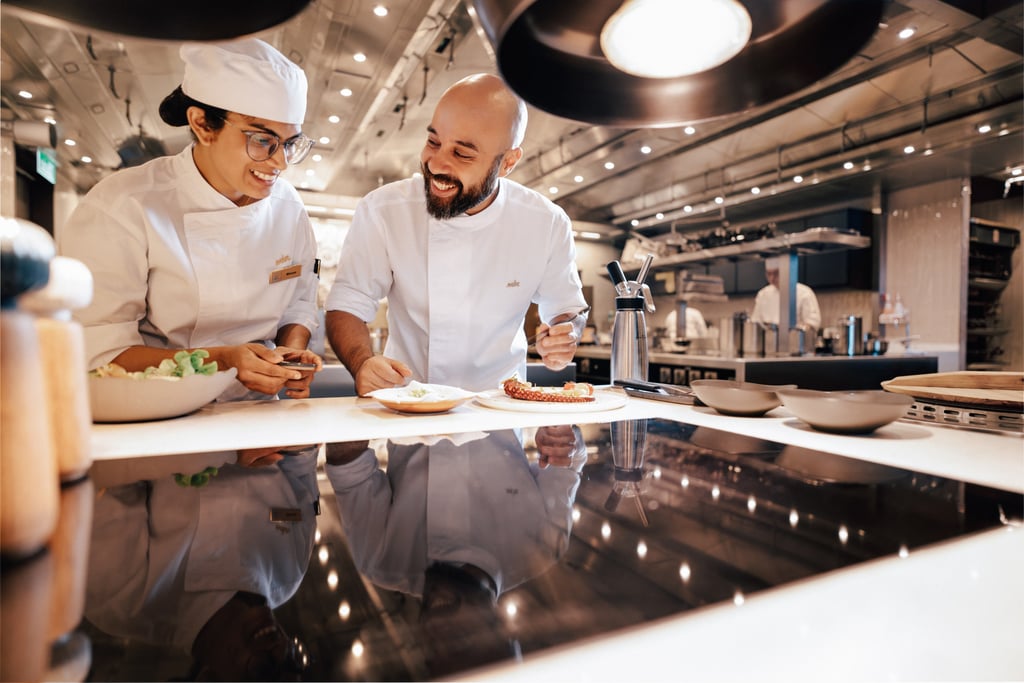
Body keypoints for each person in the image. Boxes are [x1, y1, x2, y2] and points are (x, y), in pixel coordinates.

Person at [57, 39, 322, 401]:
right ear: (202, 125)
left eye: (290, 143)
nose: (281, 163)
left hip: (260, 415)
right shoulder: (124, 205)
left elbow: (299, 302)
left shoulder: (288, 207)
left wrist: (291, 354)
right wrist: (224, 360)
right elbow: (97, 353)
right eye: (262, 140)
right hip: (156, 415)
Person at [324, 73, 588, 395]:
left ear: (507, 163)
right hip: (409, 406)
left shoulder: (546, 223)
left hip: (498, 409)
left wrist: (565, 334)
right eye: (433, 142)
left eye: (462, 154)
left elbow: (566, 310)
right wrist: (362, 362)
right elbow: (347, 304)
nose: (436, 164)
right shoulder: (383, 209)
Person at [750, 256, 821, 334]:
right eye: (769, 274)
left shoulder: (804, 292)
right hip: (768, 343)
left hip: (795, 342)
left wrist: (799, 330)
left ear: (786, 271)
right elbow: (756, 321)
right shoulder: (763, 294)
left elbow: (812, 323)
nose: (772, 278)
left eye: (776, 273)